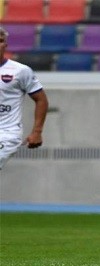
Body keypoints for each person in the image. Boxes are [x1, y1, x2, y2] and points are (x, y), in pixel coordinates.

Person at [0, 26, 49, 170]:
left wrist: (37, 132)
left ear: (5, 45)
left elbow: (41, 100)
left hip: (7, 133)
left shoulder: (20, 71)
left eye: (0, 41)